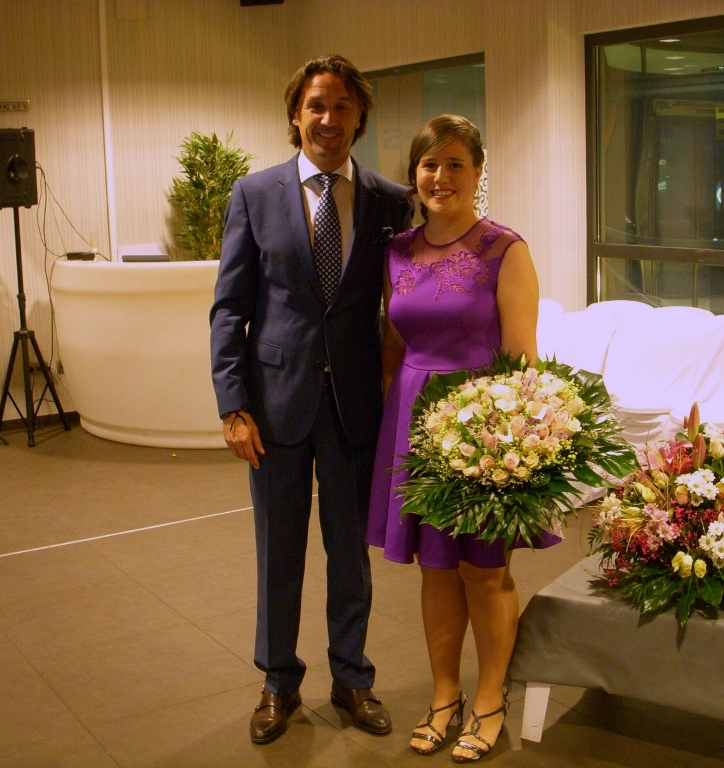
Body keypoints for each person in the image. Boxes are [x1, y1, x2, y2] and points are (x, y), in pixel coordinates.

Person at [210, 54, 413, 745]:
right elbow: (229, 309)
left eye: (342, 105)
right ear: (296, 116)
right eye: (316, 106)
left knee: (350, 553)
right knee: (279, 550)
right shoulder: (254, 194)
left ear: (360, 117)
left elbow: (402, 303)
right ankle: (278, 682)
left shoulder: (389, 200)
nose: (329, 118)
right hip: (275, 406)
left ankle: (352, 676)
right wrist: (233, 405)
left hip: (357, 407)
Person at [366, 114, 557, 762]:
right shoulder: (396, 250)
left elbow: (523, 357)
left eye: (455, 164)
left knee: (485, 569)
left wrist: (514, 447)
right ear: (414, 174)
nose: (440, 177)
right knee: (436, 570)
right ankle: (444, 694)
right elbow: (394, 346)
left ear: (477, 173)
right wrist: (391, 427)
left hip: (484, 424)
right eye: (430, 165)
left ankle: (490, 699)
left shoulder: (504, 249)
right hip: (414, 422)